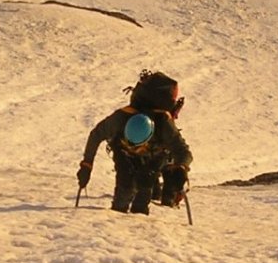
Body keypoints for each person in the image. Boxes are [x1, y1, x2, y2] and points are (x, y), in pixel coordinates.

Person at [76, 70, 192, 215]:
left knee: (145, 187)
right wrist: (86, 165)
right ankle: (119, 215)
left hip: (154, 155)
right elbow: (96, 134)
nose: (136, 147)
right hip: (123, 151)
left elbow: (182, 151)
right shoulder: (120, 118)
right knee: (125, 187)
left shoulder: (163, 123)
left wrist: (181, 168)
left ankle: (138, 221)